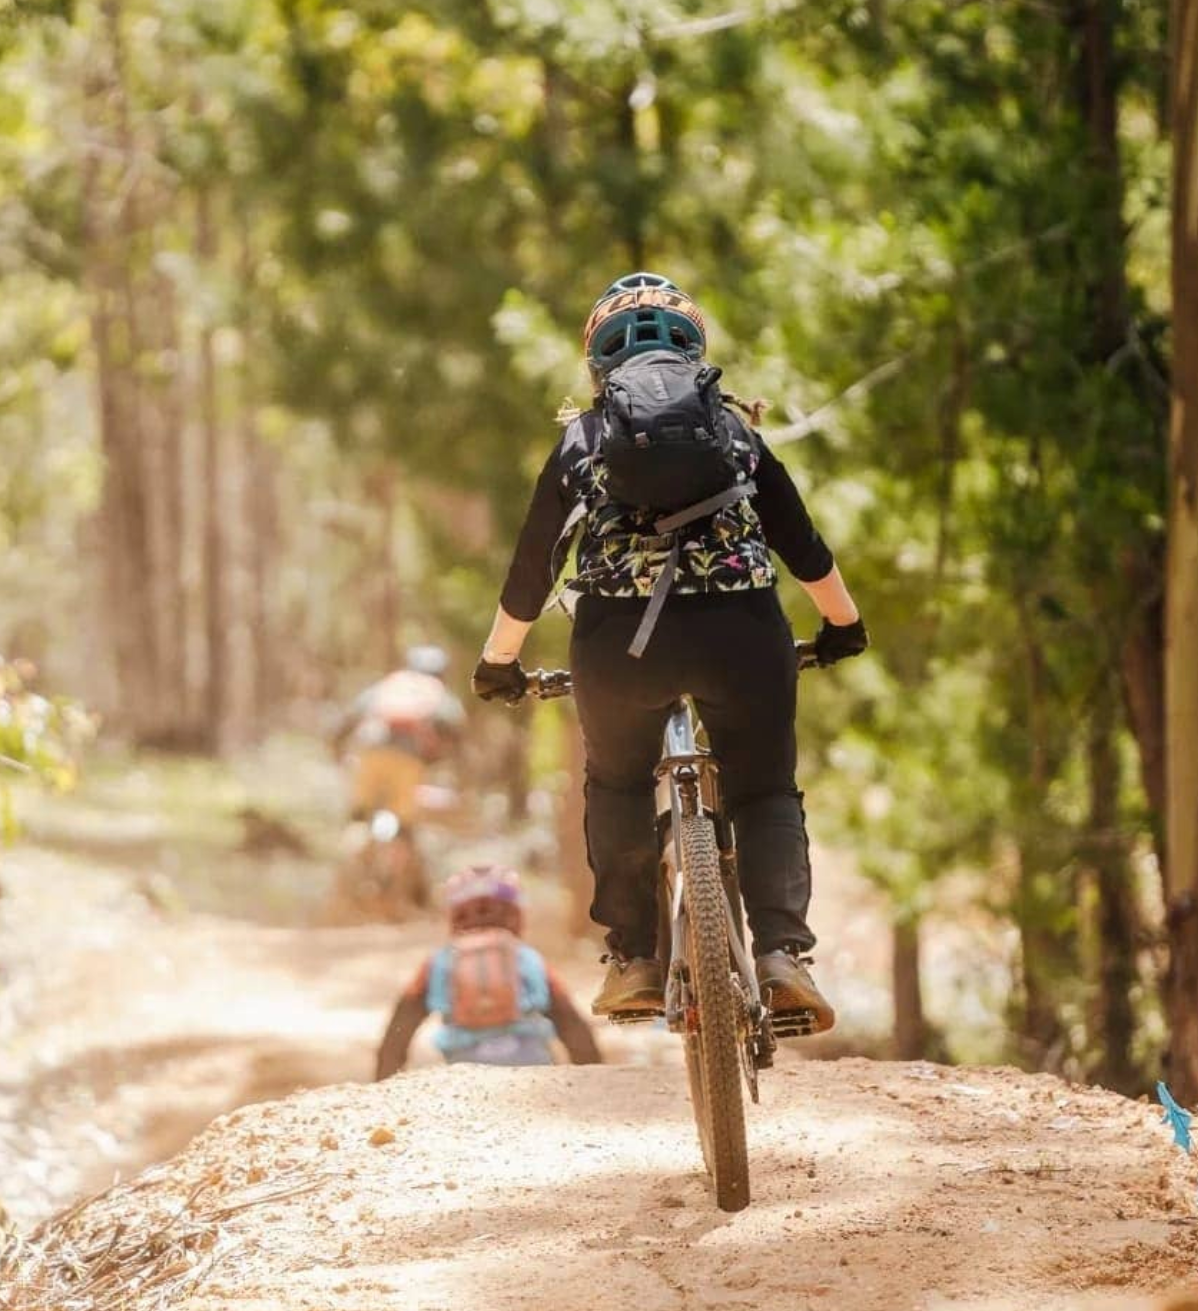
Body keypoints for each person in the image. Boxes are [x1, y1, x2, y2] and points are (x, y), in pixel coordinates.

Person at [469, 272, 868, 1028]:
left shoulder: (582, 438)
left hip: (620, 646)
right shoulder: (737, 432)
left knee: (618, 783)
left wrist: (499, 663)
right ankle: (783, 953)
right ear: (695, 353)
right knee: (763, 790)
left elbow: (532, 571)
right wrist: (844, 626)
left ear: (599, 367)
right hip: (743, 635)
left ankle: (635, 961)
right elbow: (803, 548)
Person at [375, 865, 603, 1078]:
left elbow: (399, 1032)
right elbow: (572, 1026)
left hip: (464, 1070)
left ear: (455, 918)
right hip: (532, 1067)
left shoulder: (438, 962)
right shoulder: (528, 958)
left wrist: (384, 1081)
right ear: (516, 916)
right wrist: (592, 1076)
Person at [332, 645, 465, 826]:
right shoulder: (436, 690)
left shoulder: (390, 684)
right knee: (403, 822)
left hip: (370, 754)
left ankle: (356, 847)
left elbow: (349, 718)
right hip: (408, 760)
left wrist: (336, 750)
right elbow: (454, 725)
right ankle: (398, 846)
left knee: (360, 817)